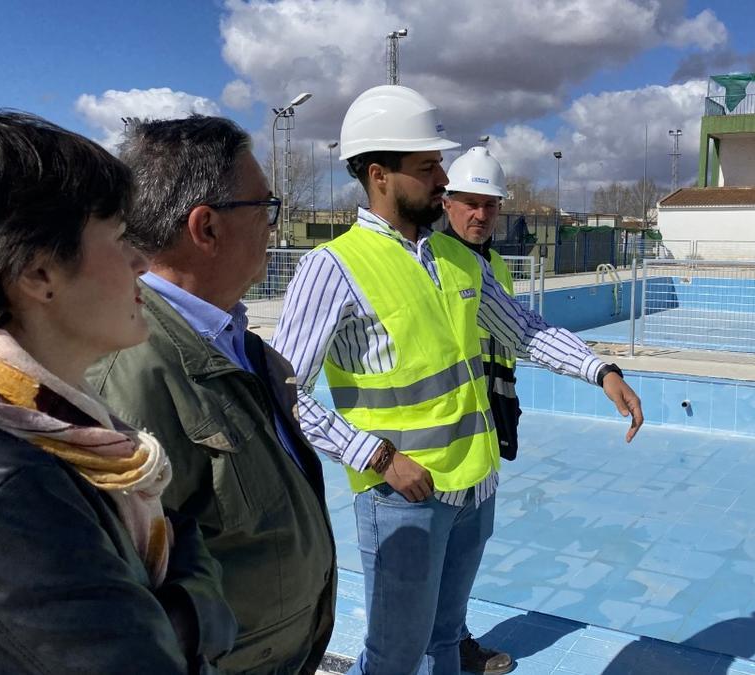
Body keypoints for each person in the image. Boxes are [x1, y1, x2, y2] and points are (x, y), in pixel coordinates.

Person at [271, 84, 644, 675]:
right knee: (394, 654)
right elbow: (281, 392)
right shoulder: (333, 268)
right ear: (380, 175)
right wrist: (375, 456)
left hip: (474, 486)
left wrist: (599, 369)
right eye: (428, 166)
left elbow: (520, 328)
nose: (443, 178)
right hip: (402, 496)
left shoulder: (458, 259)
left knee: (446, 641)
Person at [0, 113, 236, 673]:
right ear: (37, 273)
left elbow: (182, 535)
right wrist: (195, 614)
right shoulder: (1, 490)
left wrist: (172, 615)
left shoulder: (50, 429)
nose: (140, 262)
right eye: (120, 236)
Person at [88, 116, 336, 674]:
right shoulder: (129, 375)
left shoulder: (231, 341)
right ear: (207, 228)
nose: (274, 227)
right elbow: (127, 608)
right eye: (265, 209)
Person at [440, 147, 520, 674]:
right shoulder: (434, 260)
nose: (481, 215)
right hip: (440, 435)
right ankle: (439, 648)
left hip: (487, 422)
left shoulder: (493, 265)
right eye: (470, 202)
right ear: (446, 202)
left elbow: (512, 336)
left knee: (467, 549)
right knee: (434, 556)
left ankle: (454, 638)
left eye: (490, 205)